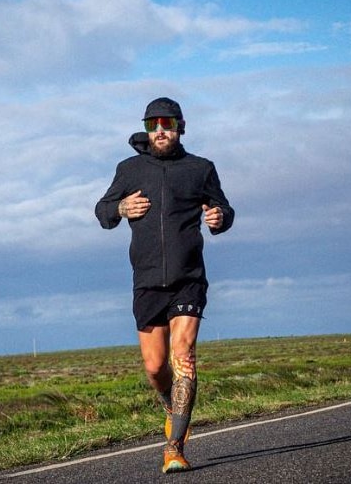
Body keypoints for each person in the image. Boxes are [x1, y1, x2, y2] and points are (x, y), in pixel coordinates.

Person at [95, 97, 234, 473]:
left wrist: (219, 217)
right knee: (156, 367)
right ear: (146, 128)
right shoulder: (129, 169)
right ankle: (171, 407)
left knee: (183, 354)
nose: (160, 130)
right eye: (153, 124)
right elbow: (102, 211)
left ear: (180, 126)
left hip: (189, 279)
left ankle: (174, 448)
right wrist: (121, 209)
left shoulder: (200, 169)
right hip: (147, 282)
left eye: (167, 123)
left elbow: (224, 209)